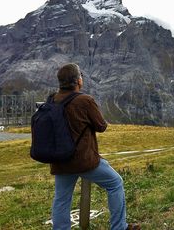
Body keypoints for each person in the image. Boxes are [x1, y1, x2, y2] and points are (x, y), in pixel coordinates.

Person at [50, 63, 140, 230]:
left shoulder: (52, 100)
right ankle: (119, 227)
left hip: (60, 161)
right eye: (81, 76)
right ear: (78, 81)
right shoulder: (85, 100)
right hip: (84, 160)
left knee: (61, 199)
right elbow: (101, 126)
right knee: (115, 183)